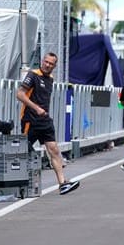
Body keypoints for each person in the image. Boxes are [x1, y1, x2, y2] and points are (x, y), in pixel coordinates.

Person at [16, 52, 80, 195]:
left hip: (44, 120)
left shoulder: (50, 78)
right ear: (42, 61)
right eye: (46, 62)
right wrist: (36, 108)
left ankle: (62, 183)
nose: (48, 65)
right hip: (30, 120)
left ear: (55, 66)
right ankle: (18, 184)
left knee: (54, 150)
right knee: (22, 151)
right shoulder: (33, 75)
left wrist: (42, 111)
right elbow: (20, 94)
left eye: (51, 64)